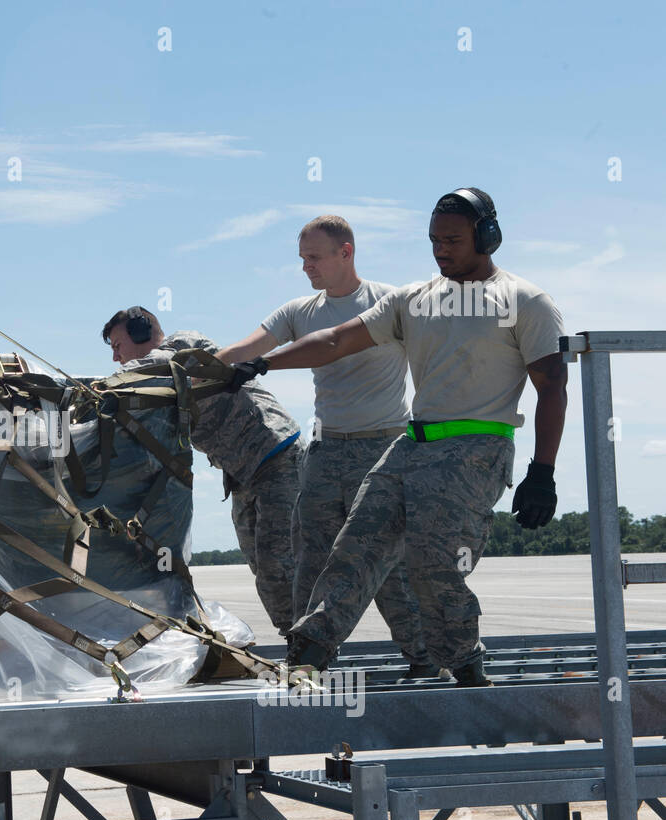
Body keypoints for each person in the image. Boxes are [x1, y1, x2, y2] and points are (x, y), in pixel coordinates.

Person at [220, 188, 567, 686]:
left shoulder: (524, 301)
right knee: (355, 545)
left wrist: (543, 471)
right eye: (433, 240)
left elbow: (552, 387)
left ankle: (462, 662)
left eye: (452, 239)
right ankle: (309, 652)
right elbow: (337, 339)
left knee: (431, 562)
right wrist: (263, 363)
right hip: (412, 444)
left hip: (475, 447)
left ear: (488, 236)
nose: (441, 250)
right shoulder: (413, 299)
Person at [216, 216, 434, 680]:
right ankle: (306, 659)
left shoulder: (389, 303)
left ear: (346, 252)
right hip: (327, 451)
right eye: (302, 259)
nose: (306, 267)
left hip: (384, 450)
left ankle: (424, 657)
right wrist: (186, 372)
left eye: (314, 258)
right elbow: (245, 350)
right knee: (310, 559)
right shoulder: (300, 311)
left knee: (386, 564)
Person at [104, 307, 302, 636]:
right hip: (242, 474)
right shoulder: (152, 382)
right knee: (260, 562)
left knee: (277, 564)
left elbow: (157, 368)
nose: (116, 357)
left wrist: (96, 387)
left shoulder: (183, 345)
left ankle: (307, 643)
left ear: (141, 332)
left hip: (274, 455)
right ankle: (297, 638)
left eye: (116, 345)